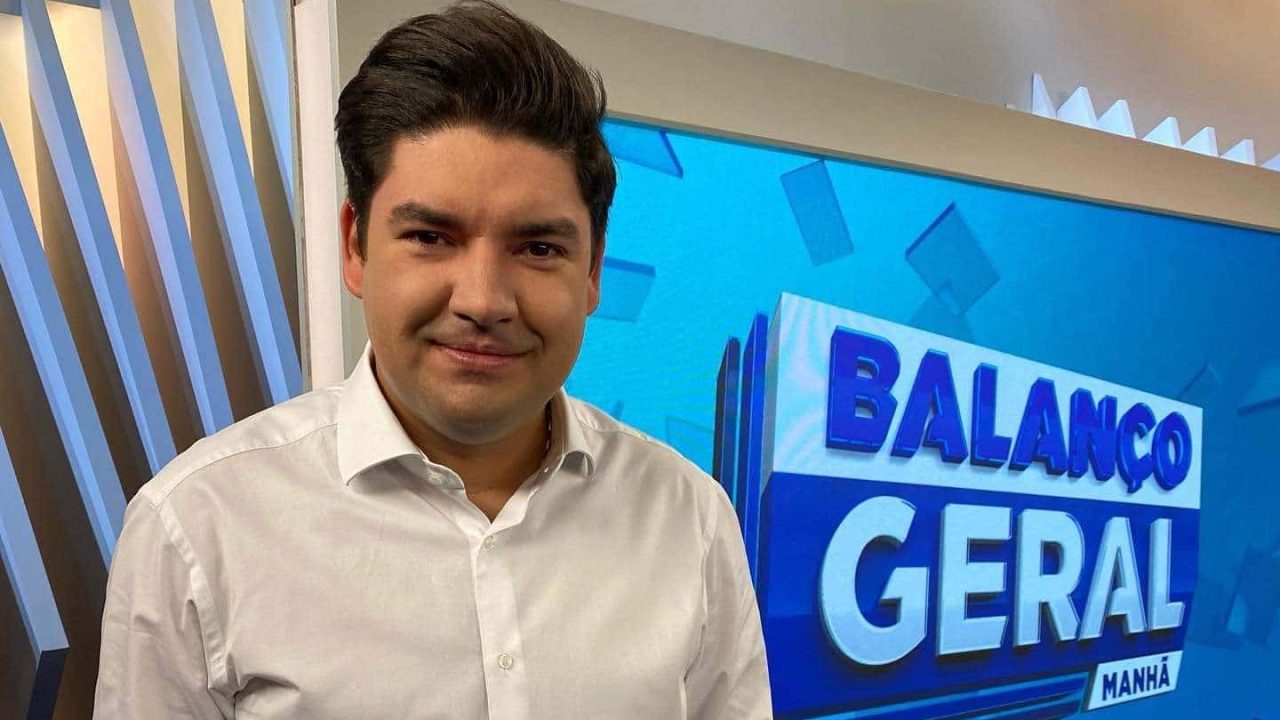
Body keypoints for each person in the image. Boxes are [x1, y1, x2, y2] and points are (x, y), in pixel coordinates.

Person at [92, 1, 771, 718]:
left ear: (594, 270)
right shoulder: (197, 528)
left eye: (538, 248)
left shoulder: (689, 517)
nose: (483, 301)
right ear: (355, 246)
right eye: (430, 237)